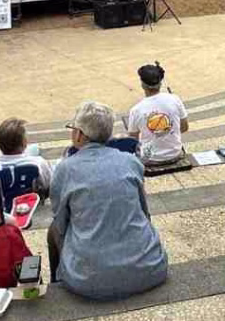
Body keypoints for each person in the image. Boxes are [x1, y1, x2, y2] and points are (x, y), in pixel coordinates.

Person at [47, 101, 167, 300]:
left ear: (79, 135)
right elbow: (144, 212)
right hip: (150, 269)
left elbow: (61, 223)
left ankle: (58, 279)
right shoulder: (130, 161)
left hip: (87, 281)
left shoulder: (65, 169)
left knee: (53, 231)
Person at [127, 63, 189, 166]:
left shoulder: (136, 110)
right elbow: (184, 128)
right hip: (175, 154)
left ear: (142, 84)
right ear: (160, 83)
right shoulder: (175, 99)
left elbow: (133, 140)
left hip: (150, 158)